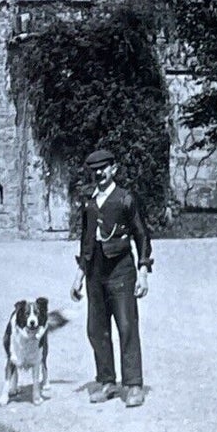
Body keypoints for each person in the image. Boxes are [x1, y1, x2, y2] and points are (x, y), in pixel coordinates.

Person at [71, 146, 152, 408]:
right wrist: (80, 274)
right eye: (94, 170)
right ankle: (107, 381)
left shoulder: (125, 199)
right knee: (96, 329)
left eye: (103, 169)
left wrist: (143, 271)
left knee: (127, 326)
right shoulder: (90, 202)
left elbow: (142, 235)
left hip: (122, 271)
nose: (99, 174)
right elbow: (86, 239)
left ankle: (133, 385)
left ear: (113, 169)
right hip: (95, 272)